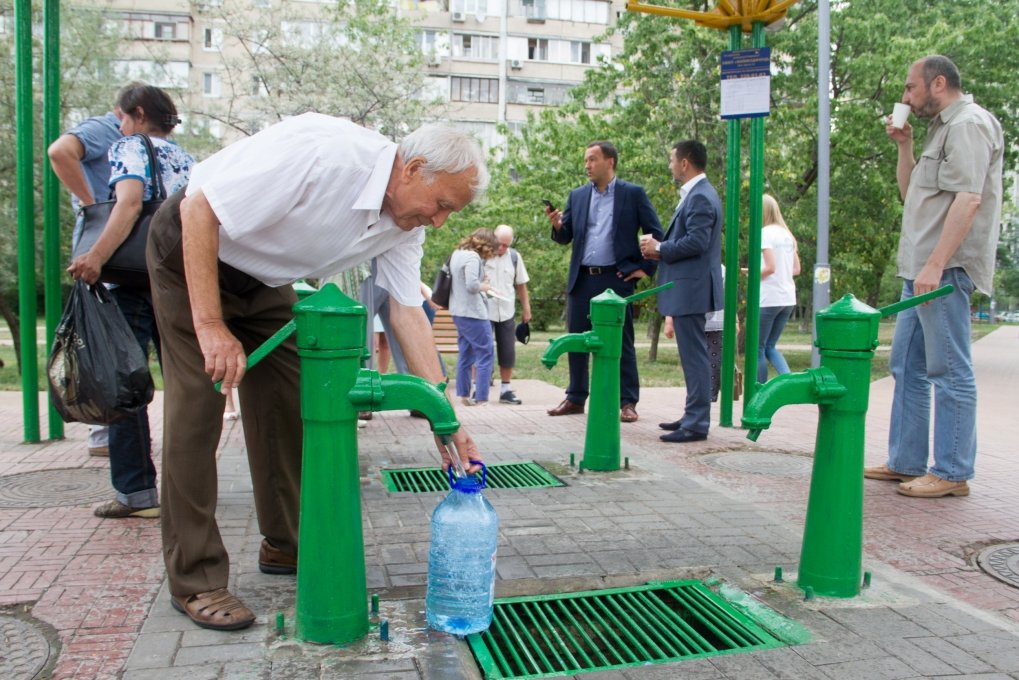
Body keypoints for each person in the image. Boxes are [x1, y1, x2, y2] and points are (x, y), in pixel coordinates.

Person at [146, 113, 488, 631]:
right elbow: (200, 207)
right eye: (441, 205)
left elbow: (404, 312)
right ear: (413, 168)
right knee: (199, 407)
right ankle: (196, 578)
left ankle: (286, 544)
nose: (439, 222)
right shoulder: (324, 154)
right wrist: (212, 325)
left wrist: (446, 417)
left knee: (291, 405)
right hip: (193, 249)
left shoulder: (404, 224)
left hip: (265, 280)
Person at [865, 55, 1003, 498]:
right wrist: (904, 146)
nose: (905, 97)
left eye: (910, 88)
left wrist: (936, 265)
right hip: (921, 269)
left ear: (937, 83)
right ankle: (906, 461)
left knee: (949, 370)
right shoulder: (938, 128)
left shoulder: (967, 125)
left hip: (943, 270)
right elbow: (911, 194)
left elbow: (969, 200)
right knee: (907, 367)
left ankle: (953, 471)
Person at [67, 83, 194, 517]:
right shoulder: (185, 158)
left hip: (134, 280)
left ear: (137, 114)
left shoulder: (129, 147)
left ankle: (137, 493)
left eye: (120, 116)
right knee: (186, 385)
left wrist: (95, 256)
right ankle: (189, 488)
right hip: (177, 280)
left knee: (124, 385)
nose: (118, 125)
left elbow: (128, 205)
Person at [544, 141, 663, 422]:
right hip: (582, 279)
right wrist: (557, 224)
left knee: (622, 342)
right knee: (576, 340)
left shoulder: (632, 194)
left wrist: (644, 269)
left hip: (615, 280)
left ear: (610, 162)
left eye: (592, 159)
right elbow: (566, 237)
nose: (587, 165)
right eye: (585, 160)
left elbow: (656, 232)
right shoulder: (577, 195)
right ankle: (575, 398)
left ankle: (627, 402)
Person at [47, 88, 133, 458]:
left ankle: (104, 430)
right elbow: (59, 151)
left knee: (107, 335)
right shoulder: (105, 129)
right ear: (126, 114)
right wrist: (91, 203)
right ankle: (103, 430)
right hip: (101, 247)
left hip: (107, 247)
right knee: (103, 335)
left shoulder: (124, 139)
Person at [641, 140, 723, 443]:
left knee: (695, 357)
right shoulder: (698, 194)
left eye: (672, 160)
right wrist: (659, 252)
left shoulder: (700, 196)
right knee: (692, 356)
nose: (670, 165)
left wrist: (660, 247)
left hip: (693, 288)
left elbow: (697, 243)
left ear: (685, 163)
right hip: (691, 287)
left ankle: (697, 423)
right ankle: (691, 415)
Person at [449, 228, 499, 406]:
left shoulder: (458, 253)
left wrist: (480, 278)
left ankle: (463, 395)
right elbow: (471, 286)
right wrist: (485, 285)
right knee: (486, 353)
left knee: (465, 353)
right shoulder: (473, 257)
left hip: (458, 311)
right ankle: (482, 397)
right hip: (474, 313)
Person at [484, 224, 531, 405]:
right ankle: (479, 390)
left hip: (506, 310)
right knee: (482, 350)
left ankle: (505, 389)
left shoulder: (514, 257)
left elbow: (521, 285)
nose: (502, 248)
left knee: (507, 351)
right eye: (499, 244)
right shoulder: (482, 254)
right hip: (484, 311)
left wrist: (526, 308)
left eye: (506, 245)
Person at [758, 194, 800, 383]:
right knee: (770, 347)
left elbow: (770, 268)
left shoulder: (765, 233)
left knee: (757, 348)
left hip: (769, 297)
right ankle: (790, 383)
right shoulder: (787, 235)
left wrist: (752, 274)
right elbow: (796, 269)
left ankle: (759, 390)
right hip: (788, 298)